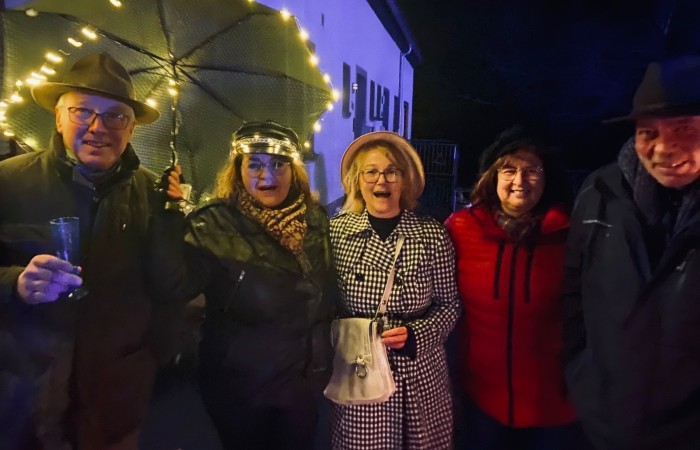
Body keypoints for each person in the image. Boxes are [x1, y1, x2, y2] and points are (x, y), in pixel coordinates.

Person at [0, 53, 184, 450]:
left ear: (131, 128)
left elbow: (170, 289)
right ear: (58, 118)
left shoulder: (152, 193)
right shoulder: (8, 182)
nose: (98, 127)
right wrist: (15, 283)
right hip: (23, 402)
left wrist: (149, 360)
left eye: (115, 116)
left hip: (114, 405)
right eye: (83, 111)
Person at [563, 55, 700, 449]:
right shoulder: (600, 192)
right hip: (607, 426)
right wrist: (581, 377)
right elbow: (574, 295)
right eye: (648, 132)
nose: (663, 148)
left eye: (684, 129)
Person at [180, 121, 337, 449]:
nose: (267, 176)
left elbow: (325, 296)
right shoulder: (211, 224)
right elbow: (174, 288)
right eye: (255, 164)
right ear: (238, 170)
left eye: (279, 164)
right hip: (242, 389)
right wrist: (166, 219)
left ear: (293, 171)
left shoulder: (315, 221)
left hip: (302, 384)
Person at [444, 126, 587, 450]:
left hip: (554, 407)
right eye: (508, 170)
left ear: (547, 178)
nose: (519, 181)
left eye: (532, 170)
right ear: (493, 177)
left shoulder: (572, 236)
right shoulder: (461, 229)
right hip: (481, 402)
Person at [329, 131, 461, 449]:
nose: (381, 181)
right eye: (371, 172)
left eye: (392, 172)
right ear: (357, 181)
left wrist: (416, 335)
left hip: (419, 374)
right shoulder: (335, 233)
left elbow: (450, 304)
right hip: (360, 372)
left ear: (405, 181)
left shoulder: (431, 235)